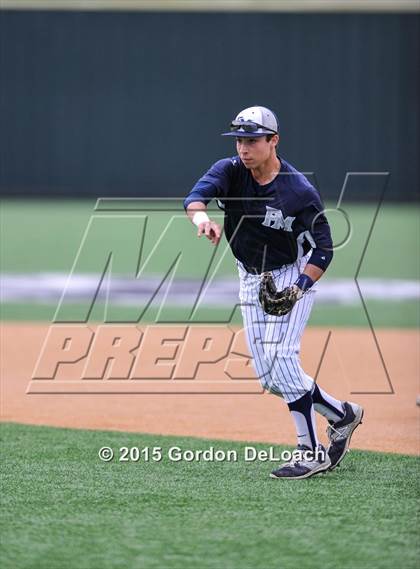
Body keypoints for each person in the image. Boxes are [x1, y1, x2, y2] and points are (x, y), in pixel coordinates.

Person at [183, 105, 363, 480]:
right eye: (239, 140)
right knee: (269, 377)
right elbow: (194, 199)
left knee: (282, 361)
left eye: (251, 140)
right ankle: (342, 415)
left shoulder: (298, 191)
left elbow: (324, 249)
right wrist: (203, 220)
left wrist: (298, 288)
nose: (243, 148)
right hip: (250, 276)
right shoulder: (230, 170)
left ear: (273, 141)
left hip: (290, 275)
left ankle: (310, 452)